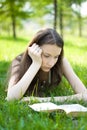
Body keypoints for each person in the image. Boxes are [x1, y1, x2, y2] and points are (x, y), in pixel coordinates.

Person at [6, 28, 87, 102]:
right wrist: (35, 64)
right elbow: (11, 98)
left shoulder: (61, 61)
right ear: (34, 49)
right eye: (46, 56)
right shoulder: (19, 61)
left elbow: (85, 95)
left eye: (56, 56)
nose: (51, 63)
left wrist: (41, 100)